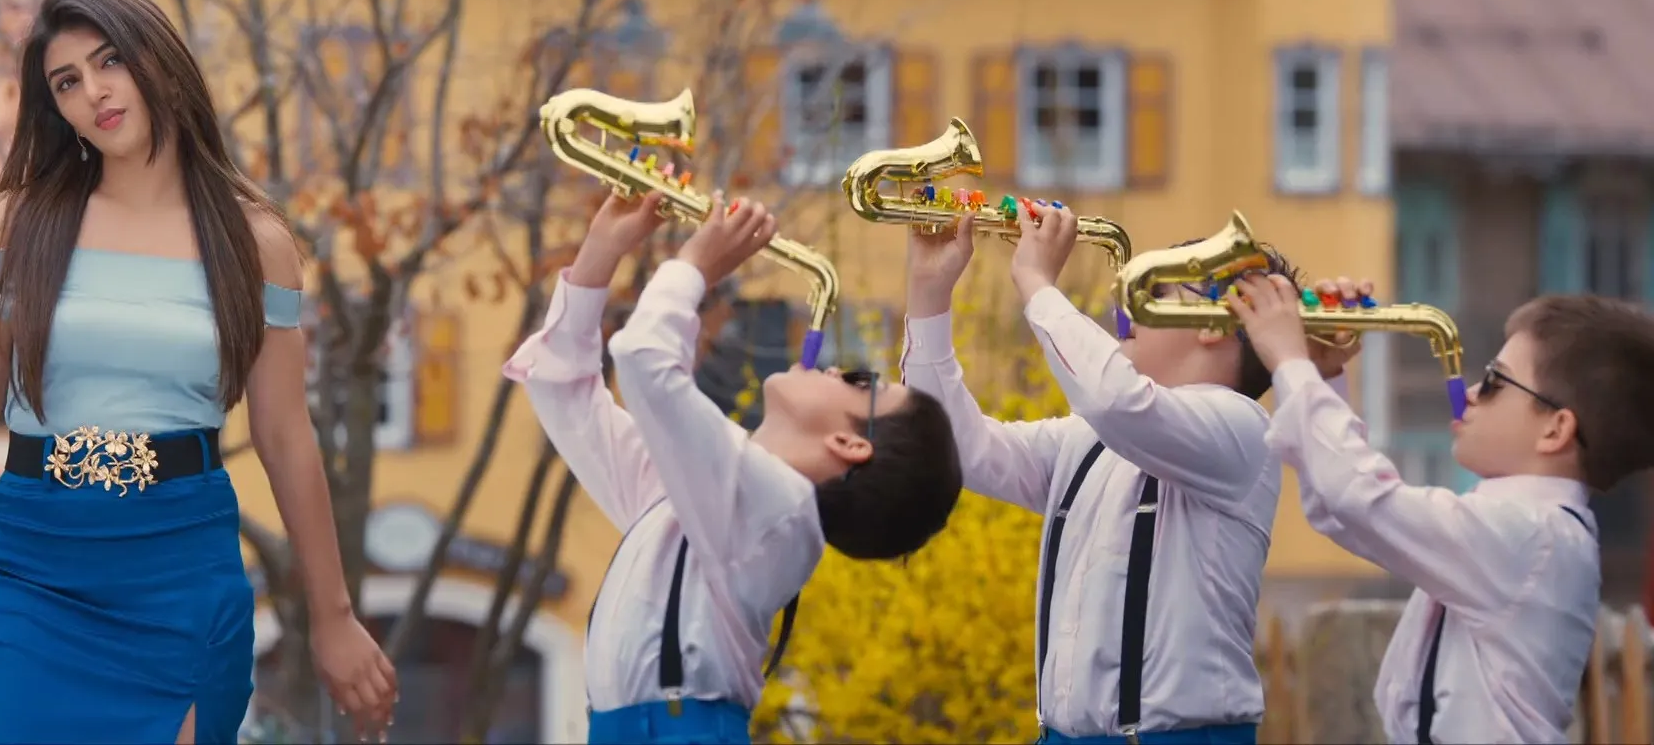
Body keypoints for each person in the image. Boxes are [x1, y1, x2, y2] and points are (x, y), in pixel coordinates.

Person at [0, 0, 397, 744]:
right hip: (32, 573)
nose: (94, 91)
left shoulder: (256, 243)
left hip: (181, 571)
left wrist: (333, 618)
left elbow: (285, 435)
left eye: (109, 62)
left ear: (158, 60)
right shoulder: (18, 225)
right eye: (67, 82)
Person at [504, 189, 965, 744]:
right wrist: (600, 252)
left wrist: (696, 266)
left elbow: (645, 361)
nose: (838, 369)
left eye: (858, 381)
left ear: (849, 443)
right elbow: (566, 391)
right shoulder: (705, 495)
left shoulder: (779, 510)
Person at [900, 206, 1362, 744]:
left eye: (1156, 292)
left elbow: (1117, 400)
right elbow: (947, 442)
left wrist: (1037, 283)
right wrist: (929, 293)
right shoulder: (1092, 439)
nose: (1127, 305)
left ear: (1214, 325)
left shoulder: (1241, 427)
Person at [1231, 277, 1654, 744]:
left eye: (1494, 381)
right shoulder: (1524, 529)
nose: (1469, 391)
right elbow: (1344, 510)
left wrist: (1292, 362)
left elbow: (1358, 496)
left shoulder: (1532, 537)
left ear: (1555, 430)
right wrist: (1319, 372)